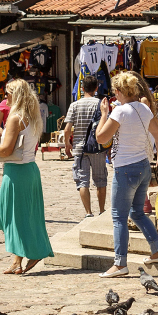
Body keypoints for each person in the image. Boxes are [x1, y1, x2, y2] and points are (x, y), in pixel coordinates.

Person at [93, 70, 158, 279]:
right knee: (137, 212)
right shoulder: (144, 108)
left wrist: (104, 114)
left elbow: (101, 137)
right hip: (143, 166)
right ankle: (157, 251)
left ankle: (120, 263)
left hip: (125, 168)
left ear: (118, 91)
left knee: (119, 217)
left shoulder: (120, 112)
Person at [0, 78, 53, 274]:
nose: (5, 97)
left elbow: (6, 149)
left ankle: (25, 257)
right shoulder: (32, 116)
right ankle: (18, 259)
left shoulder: (15, 118)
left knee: (10, 217)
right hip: (29, 169)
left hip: (17, 172)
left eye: (7, 93)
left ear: (15, 95)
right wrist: (0, 129)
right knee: (19, 217)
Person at [64, 76, 108, 216]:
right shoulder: (101, 104)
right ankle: (101, 210)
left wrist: (67, 145)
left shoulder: (74, 105)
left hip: (79, 148)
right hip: (97, 148)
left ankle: (88, 212)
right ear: (96, 88)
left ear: (82, 89)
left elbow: (67, 129)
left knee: (82, 181)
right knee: (100, 180)